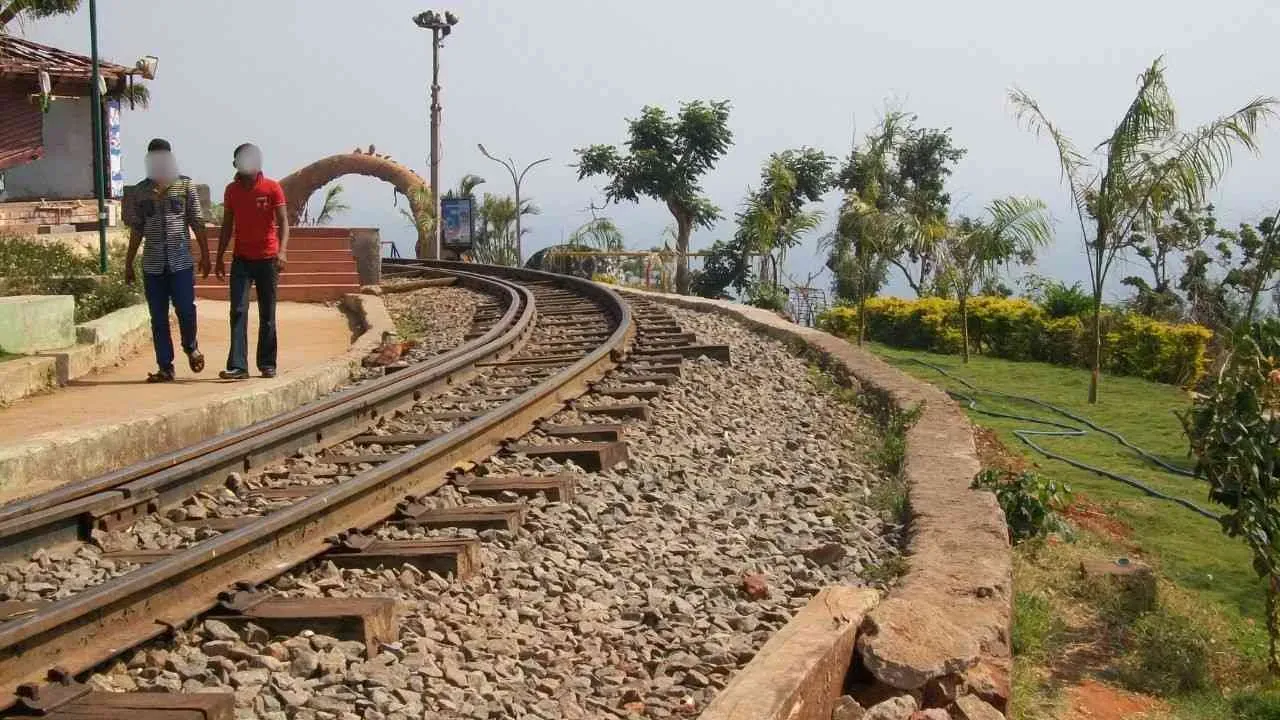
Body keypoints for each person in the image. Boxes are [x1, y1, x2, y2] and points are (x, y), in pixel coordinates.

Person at [125, 138, 208, 383]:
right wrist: (128, 263)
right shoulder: (140, 191)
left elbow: (197, 222)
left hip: (181, 262)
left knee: (185, 309)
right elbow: (137, 230)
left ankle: (191, 347)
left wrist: (205, 255)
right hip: (152, 265)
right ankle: (165, 366)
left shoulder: (184, 186)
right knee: (158, 317)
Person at [215, 143, 289, 380]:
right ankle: (238, 366)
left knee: (267, 313)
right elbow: (227, 226)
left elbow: (283, 222)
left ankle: (267, 363)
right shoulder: (231, 191)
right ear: (235, 163)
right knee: (237, 310)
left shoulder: (272, 188)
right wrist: (218, 257)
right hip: (241, 260)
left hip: (267, 259)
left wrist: (283, 251)